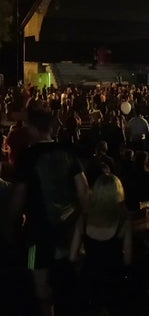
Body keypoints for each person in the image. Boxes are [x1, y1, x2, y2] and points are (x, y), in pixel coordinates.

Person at [9, 108, 89, 316]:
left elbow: (18, 198)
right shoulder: (68, 151)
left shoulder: (27, 157)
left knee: (41, 287)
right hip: (69, 232)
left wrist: (13, 223)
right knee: (70, 284)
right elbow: (83, 191)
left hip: (38, 233)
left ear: (34, 128)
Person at [69, 173, 133, 314]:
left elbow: (72, 257)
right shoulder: (124, 221)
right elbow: (127, 260)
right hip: (114, 281)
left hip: (90, 280)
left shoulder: (83, 219)